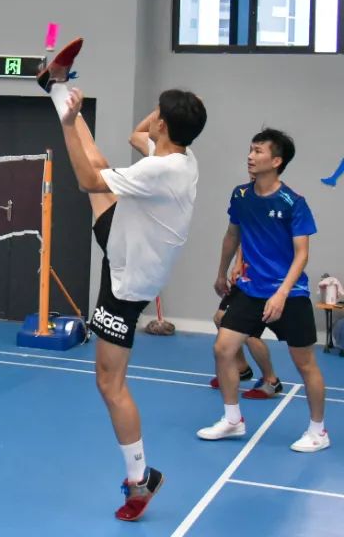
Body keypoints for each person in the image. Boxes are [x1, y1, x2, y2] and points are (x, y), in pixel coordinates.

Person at [39, 41, 206, 521]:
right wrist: (163, 118)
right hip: (129, 239)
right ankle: (55, 86)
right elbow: (138, 138)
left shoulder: (161, 170)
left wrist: (70, 124)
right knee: (101, 163)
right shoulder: (181, 158)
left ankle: (140, 479)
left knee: (110, 384)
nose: (152, 118)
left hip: (128, 277)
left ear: (165, 124)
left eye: (159, 114)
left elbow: (87, 181)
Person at [197, 128, 329, 453]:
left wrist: (281, 293)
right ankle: (232, 419)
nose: (250, 156)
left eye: (258, 151)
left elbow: (301, 254)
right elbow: (233, 234)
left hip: (289, 293)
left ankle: (318, 431)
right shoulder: (241, 195)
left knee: (305, 363)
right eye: (250, 150)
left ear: (277, 160)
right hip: (250, 289)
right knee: (223, 348)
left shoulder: (293, 203)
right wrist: (221, 272)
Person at [208, 243, 281, 398]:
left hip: (263, 281)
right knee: (221, 319)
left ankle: (271, 381)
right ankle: (241, 368)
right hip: (244, 279)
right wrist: (238, 263)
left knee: (250, 335)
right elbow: (242, 238)